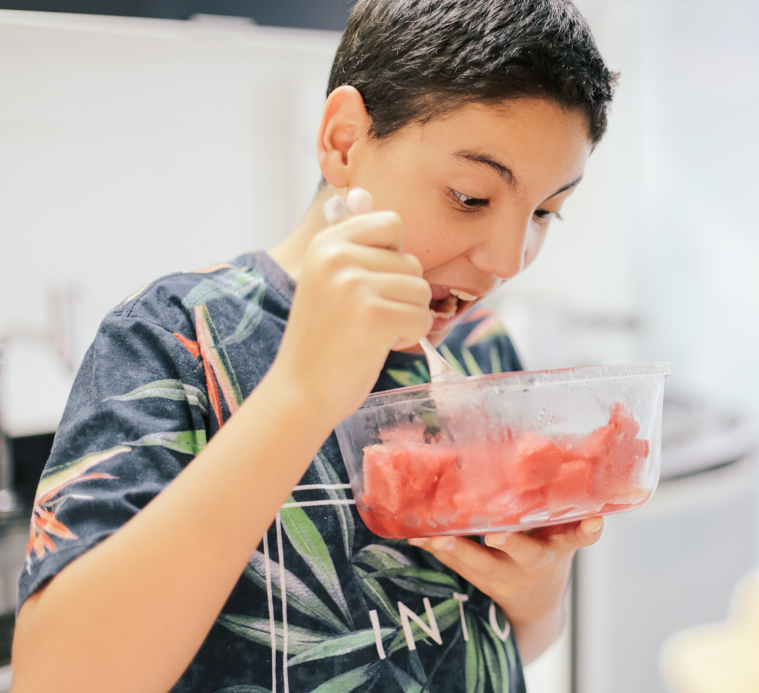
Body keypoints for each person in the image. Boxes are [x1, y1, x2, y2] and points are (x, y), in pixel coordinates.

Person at [11, 0, 617, 691]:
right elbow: (56, 677)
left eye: (545, 212)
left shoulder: (480, 349)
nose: (509, 258)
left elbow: (504, 638)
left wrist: (539, 594)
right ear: (344, 141)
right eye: (470, 196)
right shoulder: (174, 338)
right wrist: (301, 395)